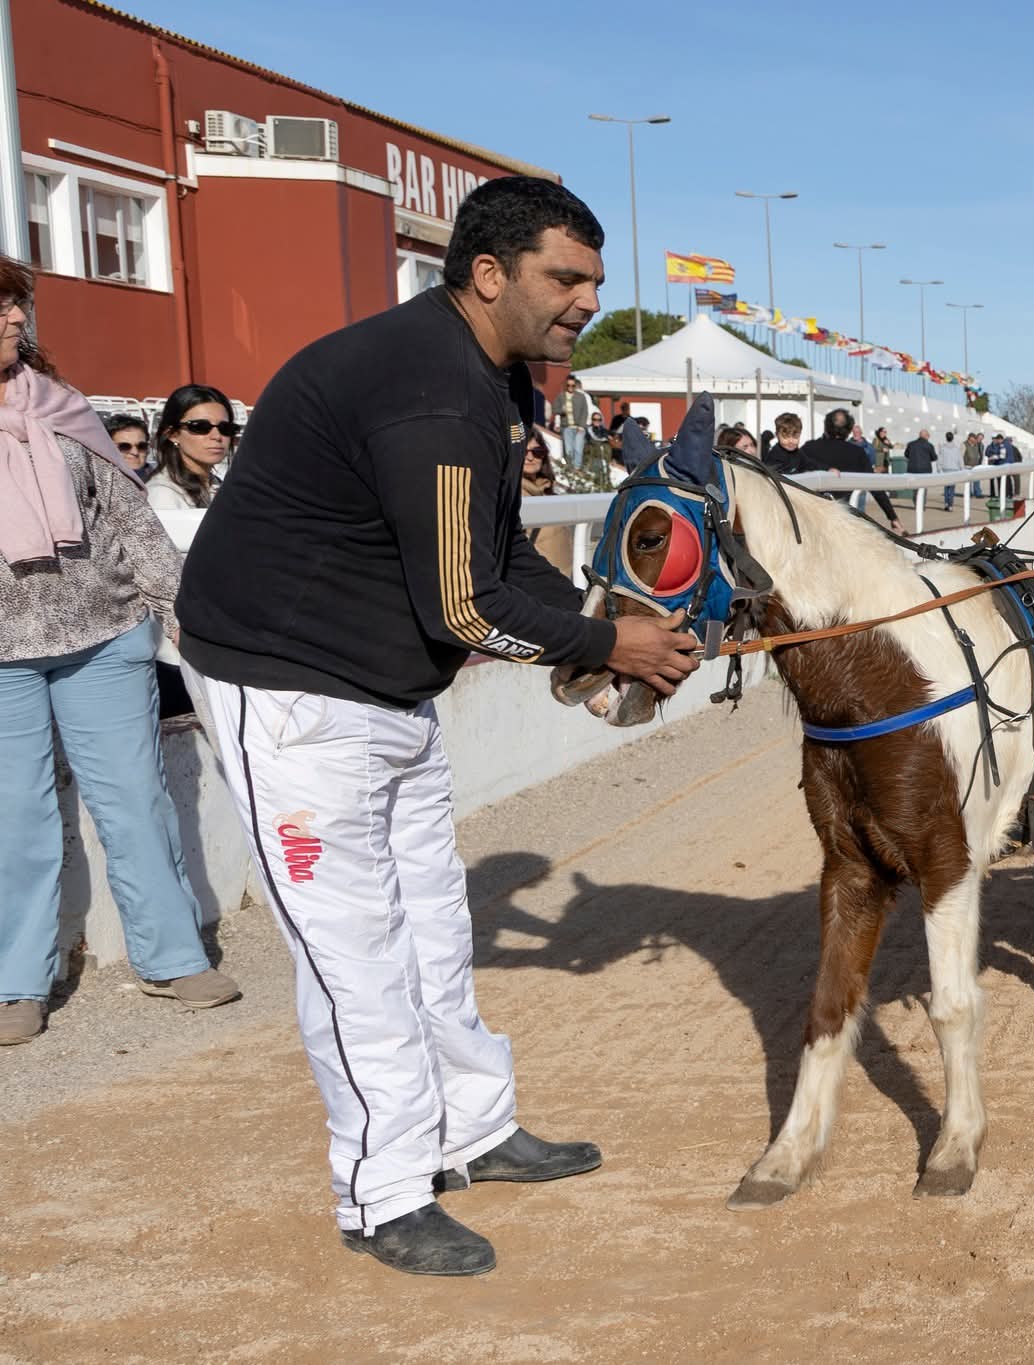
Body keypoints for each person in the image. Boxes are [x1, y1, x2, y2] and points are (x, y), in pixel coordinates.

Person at [173, 177, 702, 1276]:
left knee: (433, 930)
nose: (586, 301)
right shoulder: (432, 392)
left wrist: (588, 634)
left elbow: (499, 555)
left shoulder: (492, 378)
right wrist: (608, 649)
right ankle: (381, 1194)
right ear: (489, 273)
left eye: (596, 282)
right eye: (566, 278)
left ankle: (471, 1130)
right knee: (355, 961)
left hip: (385, 690)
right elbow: (460, 608)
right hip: (289, 694)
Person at [0, 254, 238, 1047]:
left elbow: (131, 518)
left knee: (135, 800)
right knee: (15, 820)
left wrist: (178, 607)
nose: (15, 320)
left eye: (17, 307)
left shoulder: (65, 408)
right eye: (1, 308)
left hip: (103, 635)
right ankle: (16, 982)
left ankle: (170, 956)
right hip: (2, 655)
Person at [795, 408, 904, 534]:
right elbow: (875, 486)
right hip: (842, 518)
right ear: (848, 430)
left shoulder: (809, 448)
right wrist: (892, 517)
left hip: (808, 517)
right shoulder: (857, 453)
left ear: (826, 426)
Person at [145, 383, 238, 510]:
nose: (217, 436)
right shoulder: (163, 495)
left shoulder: (218, 486)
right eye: (200, 427)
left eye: (225, 428)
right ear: (173, 434)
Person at [519, 432, 576, 578]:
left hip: (563, 582)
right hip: (534, 584)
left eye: (537, 452)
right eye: (523, 451)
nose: (530, 457)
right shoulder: (512, 495)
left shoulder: (548, 492)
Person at [551, 376, 590, 474]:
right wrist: (561, 411)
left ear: (575, 385)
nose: (570, 387)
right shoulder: (561, 396)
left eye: (573, 385)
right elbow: (554, 409)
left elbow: (584, 411)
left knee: (578, 448)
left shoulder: (581, 397)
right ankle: (570, 468)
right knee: (569, 449)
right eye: (568, 385)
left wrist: (581, 426)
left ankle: (577, 468)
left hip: (579, 427)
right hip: (567, 427)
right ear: (566, 385)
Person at [937, 429, 964, 512]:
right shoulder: (956, 448)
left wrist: (939, 468)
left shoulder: (943, 448)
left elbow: (939, 459)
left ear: (946, 438)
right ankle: (950, 505)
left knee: (946, 488)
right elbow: (960, 459)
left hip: (945, 469)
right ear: (952, 438)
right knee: (952, 489)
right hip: (954, 470)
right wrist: (962, 468)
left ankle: (946, 503)